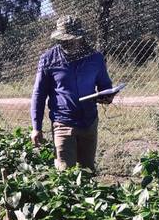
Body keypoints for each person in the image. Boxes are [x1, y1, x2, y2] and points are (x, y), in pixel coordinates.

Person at [30, 15, 115, 171]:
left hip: (89, 123)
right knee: (65, 174)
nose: (66, 43)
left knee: (87, 172)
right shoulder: (48, 59)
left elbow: (105, 85)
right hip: (63, 123)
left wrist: (107, 96)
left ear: (80, 38)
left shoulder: (95, 58)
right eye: (62, 39)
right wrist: (37, 127)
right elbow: (39, 94)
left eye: (70, 39)